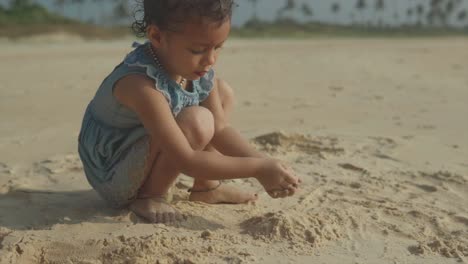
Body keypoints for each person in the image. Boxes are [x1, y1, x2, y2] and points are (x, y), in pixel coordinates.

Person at [78, 0, 300, 224]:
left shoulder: (195, 69)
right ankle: (150, 195)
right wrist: (257, 168)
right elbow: (186, 160)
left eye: (218, 47)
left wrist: (268, 163)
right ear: (156, 36)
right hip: (115, 171)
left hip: (147, 144)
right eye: (198, 50)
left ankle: (206, 187)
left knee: (222, 92)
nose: (210, 59)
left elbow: (221, 129)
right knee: (199, 120)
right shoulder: (140, 85)